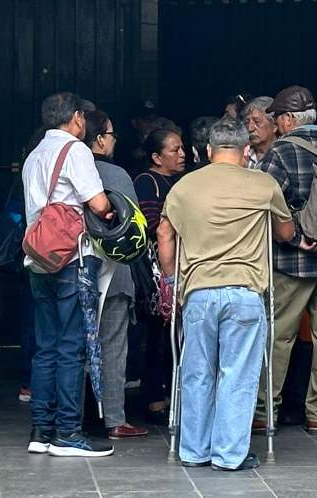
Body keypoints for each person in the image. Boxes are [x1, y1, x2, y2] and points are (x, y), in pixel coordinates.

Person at [157, 118, 295, 471]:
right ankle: (230, 455)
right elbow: (285, 232)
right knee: (238, 374)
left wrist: (170, 280)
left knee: (196, 372)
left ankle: (193, 450)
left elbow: (165, 235)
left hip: (199, 291)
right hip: (245, 293)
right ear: (246, 149)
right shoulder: (263, 185)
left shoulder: (184, 188)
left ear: (207, 151)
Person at [252, 85, 317, 436]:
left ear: (289, 119)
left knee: (280, 336)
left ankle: (267, 410)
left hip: (294, 261)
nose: (275, 124)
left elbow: (263, 199)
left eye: (277, 118)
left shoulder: (279, 152)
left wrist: (295, 236)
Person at [22, 92, 115, 457]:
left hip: (38, 260)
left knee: (44, 347)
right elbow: (98, 203)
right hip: (71, 259)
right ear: (76, 117)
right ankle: (68, 433)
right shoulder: (75, 151)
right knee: (71, 347)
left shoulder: (34, 155)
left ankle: (41, 429)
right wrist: (108, 209)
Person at [84, 109, 149, 439]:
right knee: (112, 346)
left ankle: (68, 416)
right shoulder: (116, 174)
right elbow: (135, 223)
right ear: (98, 139)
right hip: (114, 273)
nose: (113, 141)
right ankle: (114, 419)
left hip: (72, 271)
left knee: (68, 345)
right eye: (110, 135)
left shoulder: (61, 169)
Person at [133, 128, 185, 424]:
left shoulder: (181, 181)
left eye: (182, 149)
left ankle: (171, 394)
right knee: (157, 336)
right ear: (156, 156)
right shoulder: (147, 182)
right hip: (158, 271)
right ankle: (154, 397)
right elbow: (151, 224)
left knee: (175, 336)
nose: (182, 154)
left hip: (179, 265)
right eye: (174, 150)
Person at [242, 97, 278, 169]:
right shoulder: (243, 156)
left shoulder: (282, 156)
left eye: (257, 122)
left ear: (274, 125)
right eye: (247, 122)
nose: (250, 128)